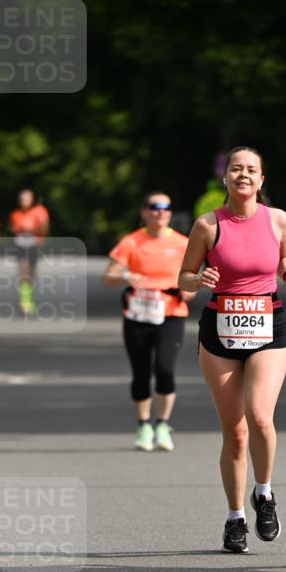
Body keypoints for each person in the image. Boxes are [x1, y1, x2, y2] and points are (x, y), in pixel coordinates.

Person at [178, 145, 286, 553]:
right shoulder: (207, 225)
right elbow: (182, 277)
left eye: (252, 170)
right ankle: (235, 518)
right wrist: (199, 279)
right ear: (226, 178)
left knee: (260, 417)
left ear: (262, 180)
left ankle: (264, 494)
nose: (244, 175)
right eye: (237, 169)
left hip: (268, 323)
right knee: (234, 432)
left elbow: (284, 258)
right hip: (220, 328)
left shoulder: (278, 219)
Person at [103, 192, 195, 452]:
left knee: (165, 369)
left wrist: (189, 290)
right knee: (141, 372)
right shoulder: (132, 242)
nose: (160, 212)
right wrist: (125, 277)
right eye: (154, 207)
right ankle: (144, 425)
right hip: (138, 315)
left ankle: (163, 424)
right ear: (144, 212)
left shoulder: (182, 243)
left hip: (171, 314)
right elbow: (108, 276)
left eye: (166, 207)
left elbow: (192, 280)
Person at [8, 190, 49, 315]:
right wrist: (20, 228)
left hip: (34, 246)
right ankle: (24, 302)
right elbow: (12, 229)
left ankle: (29, 299)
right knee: (23, 273)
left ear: (32, 200)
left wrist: (33, 228)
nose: (24, 201)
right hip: (21, 246)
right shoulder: (15, 214)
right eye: (22, 199)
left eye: (26, 199)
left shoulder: (39, 212)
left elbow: (45, 229)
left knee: (32, 274)